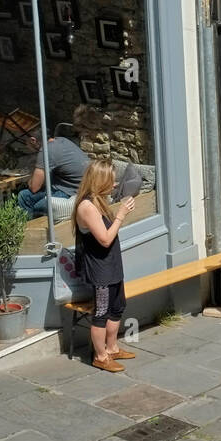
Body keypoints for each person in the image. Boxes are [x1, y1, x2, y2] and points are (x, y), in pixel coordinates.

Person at [74, 158, 136, 373]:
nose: (115, 184)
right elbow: (105, 239)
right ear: (100, 181)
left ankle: (112, 348)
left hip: (112, 266)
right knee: (101, 312)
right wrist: (120, 216)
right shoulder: (87, 206)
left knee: (117, 307)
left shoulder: (99, 201)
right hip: (100, 270)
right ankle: (100, 357)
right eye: (111, 180)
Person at [16, 130, 90, 219]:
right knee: (24, 195)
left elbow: (34, 187)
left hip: (72, 192)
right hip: (78, 186)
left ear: (33, 140)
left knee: (35, 205)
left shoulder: (46, 150)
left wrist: (34, 168)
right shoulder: (62, 140)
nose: (27, 147)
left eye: (26, 143)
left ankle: (32, 227)